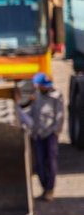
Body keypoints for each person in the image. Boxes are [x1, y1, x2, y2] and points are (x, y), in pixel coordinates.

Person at [28, 72, 64, 201]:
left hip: (50, 134)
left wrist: (55, 131)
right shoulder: (36, 96)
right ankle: (44, 188)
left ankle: (50, 189)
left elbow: (59, 114)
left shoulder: (56, 96)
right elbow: (31, 113)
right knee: (39, 163)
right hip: (38, 133)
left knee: (51, 161)